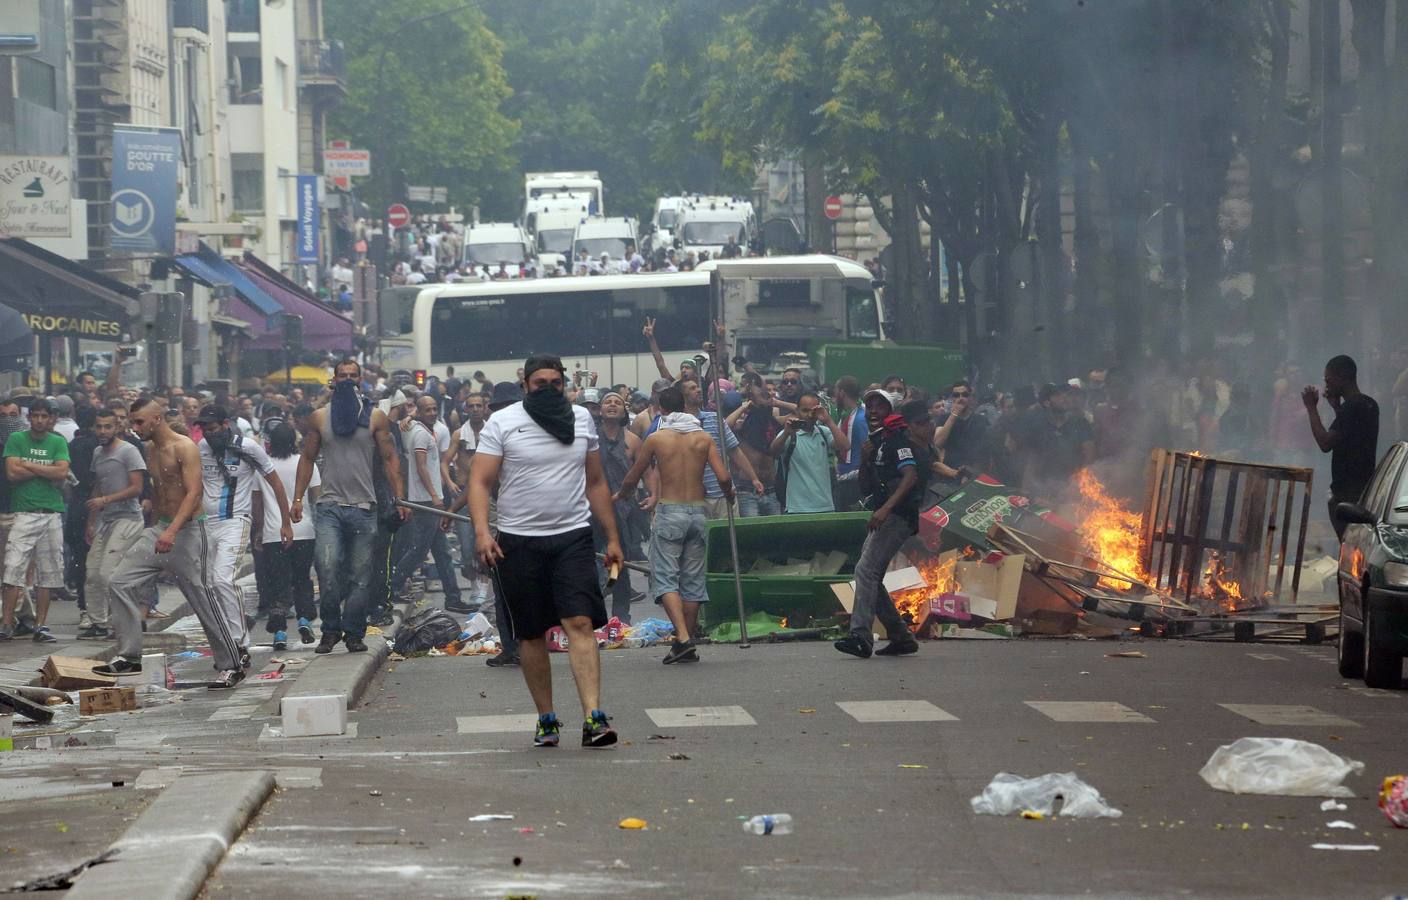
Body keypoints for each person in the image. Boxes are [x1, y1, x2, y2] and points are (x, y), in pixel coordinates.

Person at [468, 355, 624, 749]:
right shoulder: (502, 423)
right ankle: (547, 719)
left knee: (580, 624)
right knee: (532, 635)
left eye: (557, 382)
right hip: (518, 542)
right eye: (541, 383)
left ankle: (594, 718)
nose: (549, 389)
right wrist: (483, 533)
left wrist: (613, 538)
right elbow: (480, 482)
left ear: (565, 383)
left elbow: (596, 481)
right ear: (525, 385)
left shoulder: (581, 419)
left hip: (571, 537)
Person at [98, 399, 244, 686]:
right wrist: (158, 528)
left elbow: (193, 494)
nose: (134, 427)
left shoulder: (184, 447)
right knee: (119, 581)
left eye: (139, 422)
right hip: (160, 529)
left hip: (188, 531)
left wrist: (172, 532)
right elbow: (161, 492)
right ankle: (129, 656)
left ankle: (232, 664)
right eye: (132, 422)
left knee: (203, 599)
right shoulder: (149, 449)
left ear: (156, 419)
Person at [294, 359, 408, 655]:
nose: (347, 379)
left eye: (352, 376)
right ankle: (330, 630)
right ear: (333, 380)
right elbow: (307, 458)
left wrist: (400, 498)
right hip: (329, 507)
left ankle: (354, 633)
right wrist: (296, 499)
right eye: (342, 375)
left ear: (361, 381)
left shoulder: (376, 418)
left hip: (364, 507)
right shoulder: (319, 417)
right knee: (328, 570)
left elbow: (390, 458)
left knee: (361, 576)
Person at [615, 386, 732, 663]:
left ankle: (682, 637)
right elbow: (724, 477)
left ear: (661, 410)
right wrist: (730, 495)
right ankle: (683, 646)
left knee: (666, 578)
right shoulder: (703, 438)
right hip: (697, 512)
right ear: (684, 406)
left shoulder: (657, 439)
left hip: (670, 512)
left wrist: (621, 494)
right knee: (691, 580)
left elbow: (634, 475)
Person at [834, 393, 928, 659]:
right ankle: (900, 636)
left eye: (880, 406)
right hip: (885, 514)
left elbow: (910, 476)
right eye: (870, 406)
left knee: (865, 571)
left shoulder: (898, 440)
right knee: (869, 574)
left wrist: (886, 509)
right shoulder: (877, 441)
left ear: (891, 409)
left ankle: (861, 636)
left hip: (897, 516)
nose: (873, 410)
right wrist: (865, 459)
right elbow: (866, 485)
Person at [195, 405, 293, 658]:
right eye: (204, 428)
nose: (208, 433)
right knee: (208, 585)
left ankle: (240, 642)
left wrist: (285, 522)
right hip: (206, 524)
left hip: (236, 521)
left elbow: (275, 484)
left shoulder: (248, 447)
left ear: (226, 424)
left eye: (213, 428)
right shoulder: (202, 449)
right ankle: (230, 630)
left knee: (222, 579)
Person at [0, 400, 70, 643]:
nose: (39, 420)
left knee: (48, 573)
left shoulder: (58, 441)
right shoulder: (16, 439)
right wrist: (46, 467)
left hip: (51, 513)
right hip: (24, 512)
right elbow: (11, 473)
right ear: (30, 418)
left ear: (50, 419)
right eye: (36, 416)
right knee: (12, 569)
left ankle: (41, 625)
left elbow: (61, 472)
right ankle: (6, 624)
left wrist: (27, 464)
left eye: (44, 416)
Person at [78, 408, 147, 640]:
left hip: (128, 519)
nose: (103, 431)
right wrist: (92, 521)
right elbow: (98, 486)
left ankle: (120, 623)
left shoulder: (129, 451)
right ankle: (98, 622)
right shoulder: (98, 452)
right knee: (92, 573)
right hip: (105, 520)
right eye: (99, 426)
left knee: (109, 573)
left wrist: (106, 500)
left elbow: (137, 488)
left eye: (108, 426)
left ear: (116, 427)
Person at [253, 422, 319, 649]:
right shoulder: (305, 462)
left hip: (273, 534)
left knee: (277, 582)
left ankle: (279, 631)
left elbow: (258, 502)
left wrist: (259, 531)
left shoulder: (263, 466)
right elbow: (316, 496)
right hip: (304, 530)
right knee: (302, 578)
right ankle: (304, 619)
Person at [1304, 354, 1380, 541]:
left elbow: (1325, 443)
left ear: (1342, 377)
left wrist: (1311, 408)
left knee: (1350, 546)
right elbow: (1351, 435)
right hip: (1365, 488)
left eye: (1329, 380)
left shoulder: (1352, 407)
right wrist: (1337, 408)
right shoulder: (1369, 404)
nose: (1327, 386)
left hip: (1348, 493)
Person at [584, 389, 644, 623]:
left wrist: (654, 496)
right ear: (599, 410)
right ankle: (593, 613)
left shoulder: (633, 440)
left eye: (616, 402)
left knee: (620, 563)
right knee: (589, 561)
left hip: (623, 511)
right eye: (607, 402)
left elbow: (647, 471)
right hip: (590, 510)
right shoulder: (590, 440)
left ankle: (621, 616)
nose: (611, 405)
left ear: (623, 411)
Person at [772, 391, 848, 513]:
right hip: (796, 507)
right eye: (805, 410)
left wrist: (828, 420)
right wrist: (786, 433)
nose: (809, 415)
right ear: (797, 410)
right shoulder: (789, 434)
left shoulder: (824, 432)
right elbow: (773, 452)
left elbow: (845, 446)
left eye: (813, 411)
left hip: (825, 506)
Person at [930, 382, 990, 498]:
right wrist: (953, 415)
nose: (960, 398)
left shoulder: (981, 420)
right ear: (952, 398)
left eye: (965, 395)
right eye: (956, 395)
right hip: (950, 474)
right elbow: (937, 442)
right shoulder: (944, 418)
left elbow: (986, 451)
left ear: (971, 398)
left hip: (975, 472)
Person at [832, 376, 868, 510]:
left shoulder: (859, 418)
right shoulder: (849, 415)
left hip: (855, 483)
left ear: (841, 393)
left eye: (836, 391)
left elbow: (868, 447)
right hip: (845, 480)